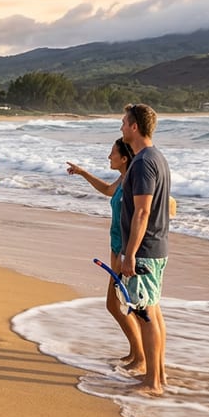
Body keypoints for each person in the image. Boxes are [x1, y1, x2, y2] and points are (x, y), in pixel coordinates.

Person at [66, 138, 144, 370]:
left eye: (112, 153)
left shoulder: (133, 181)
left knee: (120, 304)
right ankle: (135, 352)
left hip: (125, 251)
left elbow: (141, 216)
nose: (109, 157)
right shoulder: (123, 178)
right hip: (117, 247)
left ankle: (141, 357)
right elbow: (109, 191)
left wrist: (128, 253)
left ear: (124, 158)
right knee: (117, 304)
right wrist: (83, 173)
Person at [118, 103, 172, 396]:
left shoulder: (141, 162)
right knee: (153, 311)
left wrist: (130, 253)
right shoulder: (157, 157)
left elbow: (142, 212)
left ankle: (153, 382)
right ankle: (157, 375)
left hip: (146, 250)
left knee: (145, 313)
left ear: (135, 127)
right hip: (157, 246)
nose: (122, 127)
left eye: (124, 122)